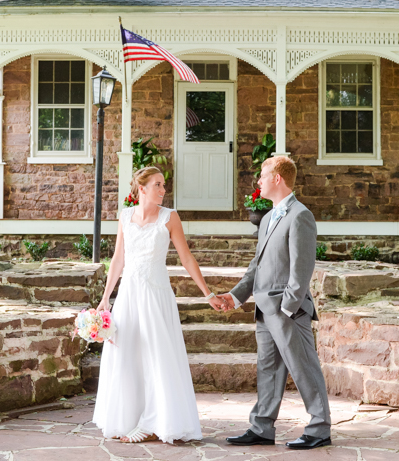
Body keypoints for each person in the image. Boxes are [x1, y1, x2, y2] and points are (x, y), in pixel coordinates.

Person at [92, 166, 226, 444]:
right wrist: (106, 298)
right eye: (157, 185)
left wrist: (207, 293)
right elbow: (118, 260)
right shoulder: (125, 217)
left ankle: (155, 422)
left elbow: (187, 258)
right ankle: (128, 419)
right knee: (127, 355)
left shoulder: (169, 218)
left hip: (155, 295)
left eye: (164, 185)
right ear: (142, 189)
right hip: (128, 294)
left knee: (157, 355)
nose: (163, 190)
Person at [219, 156, 332, 450]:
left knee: (304, 367)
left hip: (288, 310)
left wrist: (288, 307)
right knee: (267, 369)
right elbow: (257, 266)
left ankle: (319, 428)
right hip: (263, 309)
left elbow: (302, 268)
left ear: (277, 178)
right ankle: (261, 427)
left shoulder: (300, 215)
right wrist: (234, 296)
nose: (258, 180)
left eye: (262, 175)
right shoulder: (268, 217)